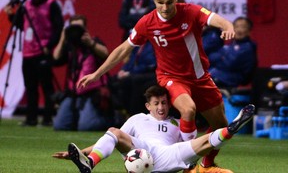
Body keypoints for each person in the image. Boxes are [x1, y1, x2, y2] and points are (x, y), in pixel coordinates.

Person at [77, 0, 235, 172]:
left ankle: (206, 164)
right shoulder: (147, 22)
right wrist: (96, 73)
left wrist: (227, 27)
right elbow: (123, 49)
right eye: (160, 2)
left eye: (169, 2)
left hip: (200, 77)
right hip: (171, 78)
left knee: (221, 126)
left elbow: (216, 19)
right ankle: (190, 166)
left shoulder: (190, 11)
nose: (165, 7)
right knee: (188, 110)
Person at [52, 85, 255, 173]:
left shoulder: (177, 122)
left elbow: (189, 143)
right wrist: (82, 153)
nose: (161, 107)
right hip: (141, 151)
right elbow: (110, 139)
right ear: (148, 106)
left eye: (164, 103)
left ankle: (231, 128)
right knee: (114, 130)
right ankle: (90, 163)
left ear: (169, 104)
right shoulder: (137, 119)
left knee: (203, 141)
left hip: (168, 154)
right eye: (156, 103)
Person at [15, 0, 63, 126]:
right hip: (28, 51)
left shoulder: (52, 4)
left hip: (43, 51)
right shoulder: (27, 4)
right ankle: (31, 118)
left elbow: (58, 27)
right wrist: (13, 13)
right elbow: (19, 25)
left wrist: (49, 46)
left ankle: (47, 118)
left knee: (46, 86)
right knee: (30, 87)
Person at [52, 15, 112, 131]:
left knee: (86, 126)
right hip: (73, 93)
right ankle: (81, 117)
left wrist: (90, 43)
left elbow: (105, 54)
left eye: (79, 27)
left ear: (85, 29)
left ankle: (112, 119)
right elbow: (56, 57)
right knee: (59, 125)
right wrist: (63, 38)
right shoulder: (70, 46)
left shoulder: (93, 42)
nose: (76, 31)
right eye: (73, 27)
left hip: (92, 93)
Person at [109, 40, 157, 117]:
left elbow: (150, 64)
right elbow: (131, 61)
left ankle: (134, 114)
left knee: (134, 81)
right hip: (134, 73)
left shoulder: (152, 45)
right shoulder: (137, 46)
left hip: (149, 74)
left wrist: (130, 73)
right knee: (112, 80)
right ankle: (122, 110)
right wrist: (124, 70)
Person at [209, 17, 257, 88]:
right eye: (236, 26)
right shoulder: (231, 44)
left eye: (243, 27)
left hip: (233, 79)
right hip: (219, 74)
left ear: (249, 31)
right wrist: (222, 57)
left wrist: (222, 56)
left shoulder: (248, 47)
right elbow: (211, 57)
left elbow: (230, 64)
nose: (239, 30)